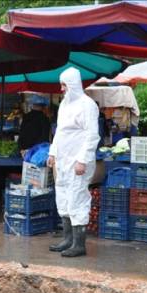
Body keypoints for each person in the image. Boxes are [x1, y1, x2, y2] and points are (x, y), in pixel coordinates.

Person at [47, 67, 100, 257]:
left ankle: (79, 244)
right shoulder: (64, 105)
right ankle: (67, 239)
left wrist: (83, 160)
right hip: (63, 160)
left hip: (78, 161)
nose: (61, 89)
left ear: (73, 85)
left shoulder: (88, 105)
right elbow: (60, 131)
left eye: (64, 85)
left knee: (77, 198)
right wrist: (53, 153)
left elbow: (92, 135)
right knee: (63, 196)